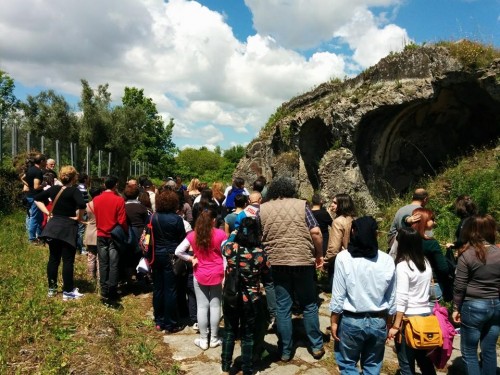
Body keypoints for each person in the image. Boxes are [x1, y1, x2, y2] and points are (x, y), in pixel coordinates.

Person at [259, 176, 324, 361]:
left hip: (277, 262)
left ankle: (286, 350)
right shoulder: (302, 205)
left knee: (282, 307)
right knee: (309, 304)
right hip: (302, 260)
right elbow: (315, 232)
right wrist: (319, 254)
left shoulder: (263, 208)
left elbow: (258, 235)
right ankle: (316, 346)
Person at [330, 216, 396, 375]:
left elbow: (338, 295)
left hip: (351, 320)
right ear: (376, 234)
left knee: (347, 365)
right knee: (373, 365)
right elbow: (392, 297)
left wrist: (333, 321)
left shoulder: (344, 258)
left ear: (353, 231)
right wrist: (389, 323)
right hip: (378, 320)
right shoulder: (387, 260)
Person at [221, 217, 270, 375]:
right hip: (251, 298)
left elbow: (226, 244)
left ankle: (226, 364)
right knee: (248, 334)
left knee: (229, 330)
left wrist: (236, 233)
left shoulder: (230, 249)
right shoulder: (260, 254)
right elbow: (267, 275)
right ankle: (247, 367)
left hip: (231, 296)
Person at [452, 215, 500, 375]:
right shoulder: (498, 252)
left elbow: (460, 286)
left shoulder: (467, 255)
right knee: (489, 350)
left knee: (470, 352)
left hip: (474, 305)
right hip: (495, 305)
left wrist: (456, 307)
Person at [175, 203, 227, 350]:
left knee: (202, 306)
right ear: (213, 221)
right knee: (216, 306)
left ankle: (204, 340)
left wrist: (191, 259)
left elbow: (178, 251)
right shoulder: (221, 234)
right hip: (217, 273)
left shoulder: (193, 235)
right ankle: (215, 338)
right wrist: (225, 274)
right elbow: (225, 256)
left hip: (200, 273)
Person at [387, 227, 436, 375]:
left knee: (406, 362)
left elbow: (402, 298)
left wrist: (396, 325)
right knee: (424, 359)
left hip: (408, 319)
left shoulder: (403, 266)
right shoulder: (425, 263)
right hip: (425, 315)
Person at [34, 165, 86, 300]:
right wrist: (79, 218)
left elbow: (37, 198)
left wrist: (48, 213)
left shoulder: (53, 189)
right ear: (74, 178)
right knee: (68, 260)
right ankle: (68, 291)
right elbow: (82, 205)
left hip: (53, 227)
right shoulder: (74, 191)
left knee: (53, 258)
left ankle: (52, 289)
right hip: (68, 228)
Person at [150, 190, 187, 333]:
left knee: (158, 288)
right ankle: (170, 322)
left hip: (156, 255)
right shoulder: (176, 219)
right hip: (171, 256)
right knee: (171, 289)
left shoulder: (153, 217)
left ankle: (159, 320)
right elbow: (182, 239)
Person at [93, 175, 128, 307]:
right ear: (115, 185)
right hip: (114, 235)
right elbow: (122, 220)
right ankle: (112, 290)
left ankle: (104, 289)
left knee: (103, 262)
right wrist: (124, 231)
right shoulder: (119, 200)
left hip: (101, 233)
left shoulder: (96, 199)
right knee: (114, 263)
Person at [407, 208, 453, 302]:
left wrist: (407, 220)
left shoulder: (405, 238)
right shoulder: (431, 243)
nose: (434, 222)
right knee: (431, 315)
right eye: (432, 219)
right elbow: (443, 268)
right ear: (425, 221)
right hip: (431, 283)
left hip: (410, 282)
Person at [323, 193, 355, 290]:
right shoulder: (353, 219)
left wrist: (326, 261)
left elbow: (334, 247)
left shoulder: (338, 222)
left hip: (340, 261)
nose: (332, 205)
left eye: (335, 203)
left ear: (342, 204)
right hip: (354, 259)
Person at [25, 153, 47, 244]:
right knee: (34, 217)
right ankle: (32, 238)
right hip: (35, 197)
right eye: (45, 161)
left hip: (29, 196)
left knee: (39, 217)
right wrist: (44, 185)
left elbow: (25, 180)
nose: (46, 162)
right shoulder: (37, 172)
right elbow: (36, 186)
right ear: (41, 161)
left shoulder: (30, 170)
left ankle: (40, 236)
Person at [84, 187, 102, 280]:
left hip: (90, 231)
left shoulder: (87, 205)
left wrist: (85, 222)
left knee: (91, 256)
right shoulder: (102, 204)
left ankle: (91, 276)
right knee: (100, 257)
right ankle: (100, 277)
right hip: (100, 231)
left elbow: (78, 215)